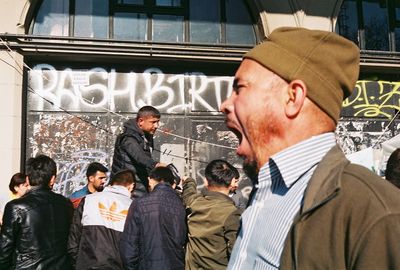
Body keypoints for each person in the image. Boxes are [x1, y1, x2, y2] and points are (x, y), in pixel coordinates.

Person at [220, 27, 400, 269]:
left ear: (292, 98)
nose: (225, 104)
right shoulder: (264, 192)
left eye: (240, 88)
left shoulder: (376, 213)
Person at [0, 155, 74, 269]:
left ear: (28, 179)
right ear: (52, 179)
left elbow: (5, 248)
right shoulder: (66, 204)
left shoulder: (15, 207)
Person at [120, 167, 187, 270]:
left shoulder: (139, 203)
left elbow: (129, 245)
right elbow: (182, 239)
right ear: (172, 183)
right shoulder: (180, 205)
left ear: (150, 180)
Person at [68, 169, 136, 270]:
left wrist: (79, 264)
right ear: (132, 186)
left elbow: (73, 242)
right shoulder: (134, 208)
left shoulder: (88, 200)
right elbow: (135, 250)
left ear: (112, 183)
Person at [182, 159, 242, 270]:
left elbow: (188, 193)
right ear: (233, 182)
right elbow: (237, 254)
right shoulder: (233, 213)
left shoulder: (194, 202)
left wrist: (189, 181)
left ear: (205, 181)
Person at [111, 105, 166, 198]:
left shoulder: (144, 136)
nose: (157, 126)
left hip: (138, 188)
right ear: (141, 121)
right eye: (153, 122)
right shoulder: (128, 138)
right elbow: (140, 157)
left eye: (158, 122)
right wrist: (156, 165)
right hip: (126, 189)